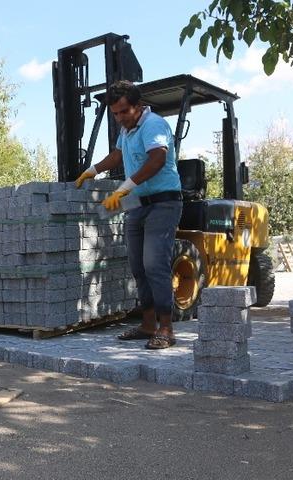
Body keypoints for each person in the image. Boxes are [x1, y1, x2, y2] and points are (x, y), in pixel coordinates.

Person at [75, 80, 183, 350]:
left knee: (154, 263)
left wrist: (124, 188)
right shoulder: (127, 130)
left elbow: (157, 159)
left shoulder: (153, 125)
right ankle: (148, 324)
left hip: (163, 201)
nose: (120, 118)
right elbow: (117, 155)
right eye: (115, 113)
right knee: (136, 264)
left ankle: (166, 328)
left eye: (124, 111)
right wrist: (93, 169)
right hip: (138, 202)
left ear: (138, 106)